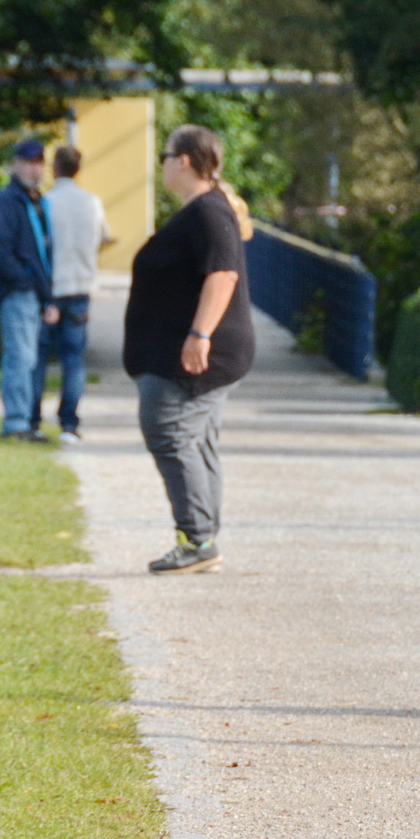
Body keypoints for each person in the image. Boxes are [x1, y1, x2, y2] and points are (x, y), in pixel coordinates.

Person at [122, 125, 256, 574]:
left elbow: (223, 275)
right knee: (195, 440)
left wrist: (200, 335)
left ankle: (197, 538)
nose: (161, 163)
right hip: (180, 352)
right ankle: (202, 537)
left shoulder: (209, 213)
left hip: (196, 355)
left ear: (183, 160)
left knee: (169, 430)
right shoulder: (205, 210)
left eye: (165, 155)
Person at [36, 145, 112, 444]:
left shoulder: (45, 202)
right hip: (80, 285)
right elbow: (104, 235)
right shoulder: (91, 202)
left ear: (54, 168)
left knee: (39, 357)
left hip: (51, 287)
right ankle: (69, 422)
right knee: (73, 358)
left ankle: (33, 417)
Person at [0, 138, 57, 440]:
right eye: (29, 162)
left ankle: (26, 420)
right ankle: (16, 422)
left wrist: (46, 295)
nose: (34, 168)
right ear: (16, 164)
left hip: (33, 291)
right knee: (21, 357)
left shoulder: (36, 201)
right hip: (17, 291)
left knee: (28, 359)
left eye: (39, 162)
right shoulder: (8, 200)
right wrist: (24, 281)